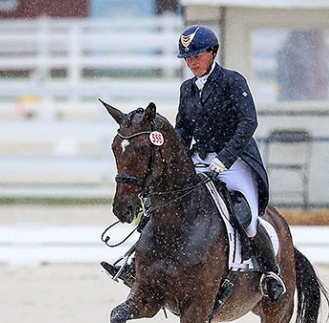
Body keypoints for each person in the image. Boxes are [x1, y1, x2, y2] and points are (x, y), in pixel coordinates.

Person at [103, 25, 286, 301]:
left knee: (245, 218)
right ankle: (134, 264)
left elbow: (248, 123)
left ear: (212, 52)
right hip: (198, 160)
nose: (192, 62)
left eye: (197, 56)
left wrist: (224, 159)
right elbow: (184, 129)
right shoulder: (186, 88)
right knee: (159, 203)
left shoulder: (233, 82)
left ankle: (270, 274)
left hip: (234, 162)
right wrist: (175, 158)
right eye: (188, 58)